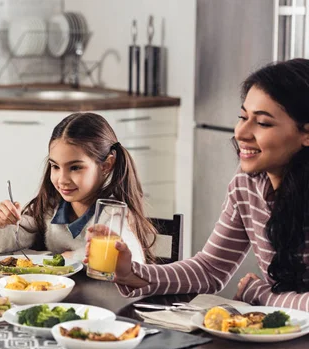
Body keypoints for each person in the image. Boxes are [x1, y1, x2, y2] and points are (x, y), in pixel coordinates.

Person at [106, 58, 309, 310]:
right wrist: (131, 272)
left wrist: (260, 294)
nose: (241, 133)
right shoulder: (247, 183)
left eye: (263, 123)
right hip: (281, 340)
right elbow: (210, 269)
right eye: (243, 117)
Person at [0, 112, 157, 263]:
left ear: (106, 165)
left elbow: (131, 262)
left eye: (75, 168)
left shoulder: (113, 215)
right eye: (55, 167)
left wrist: (70, 258)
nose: (62, 179)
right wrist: (1, 224)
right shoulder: (51, 209)